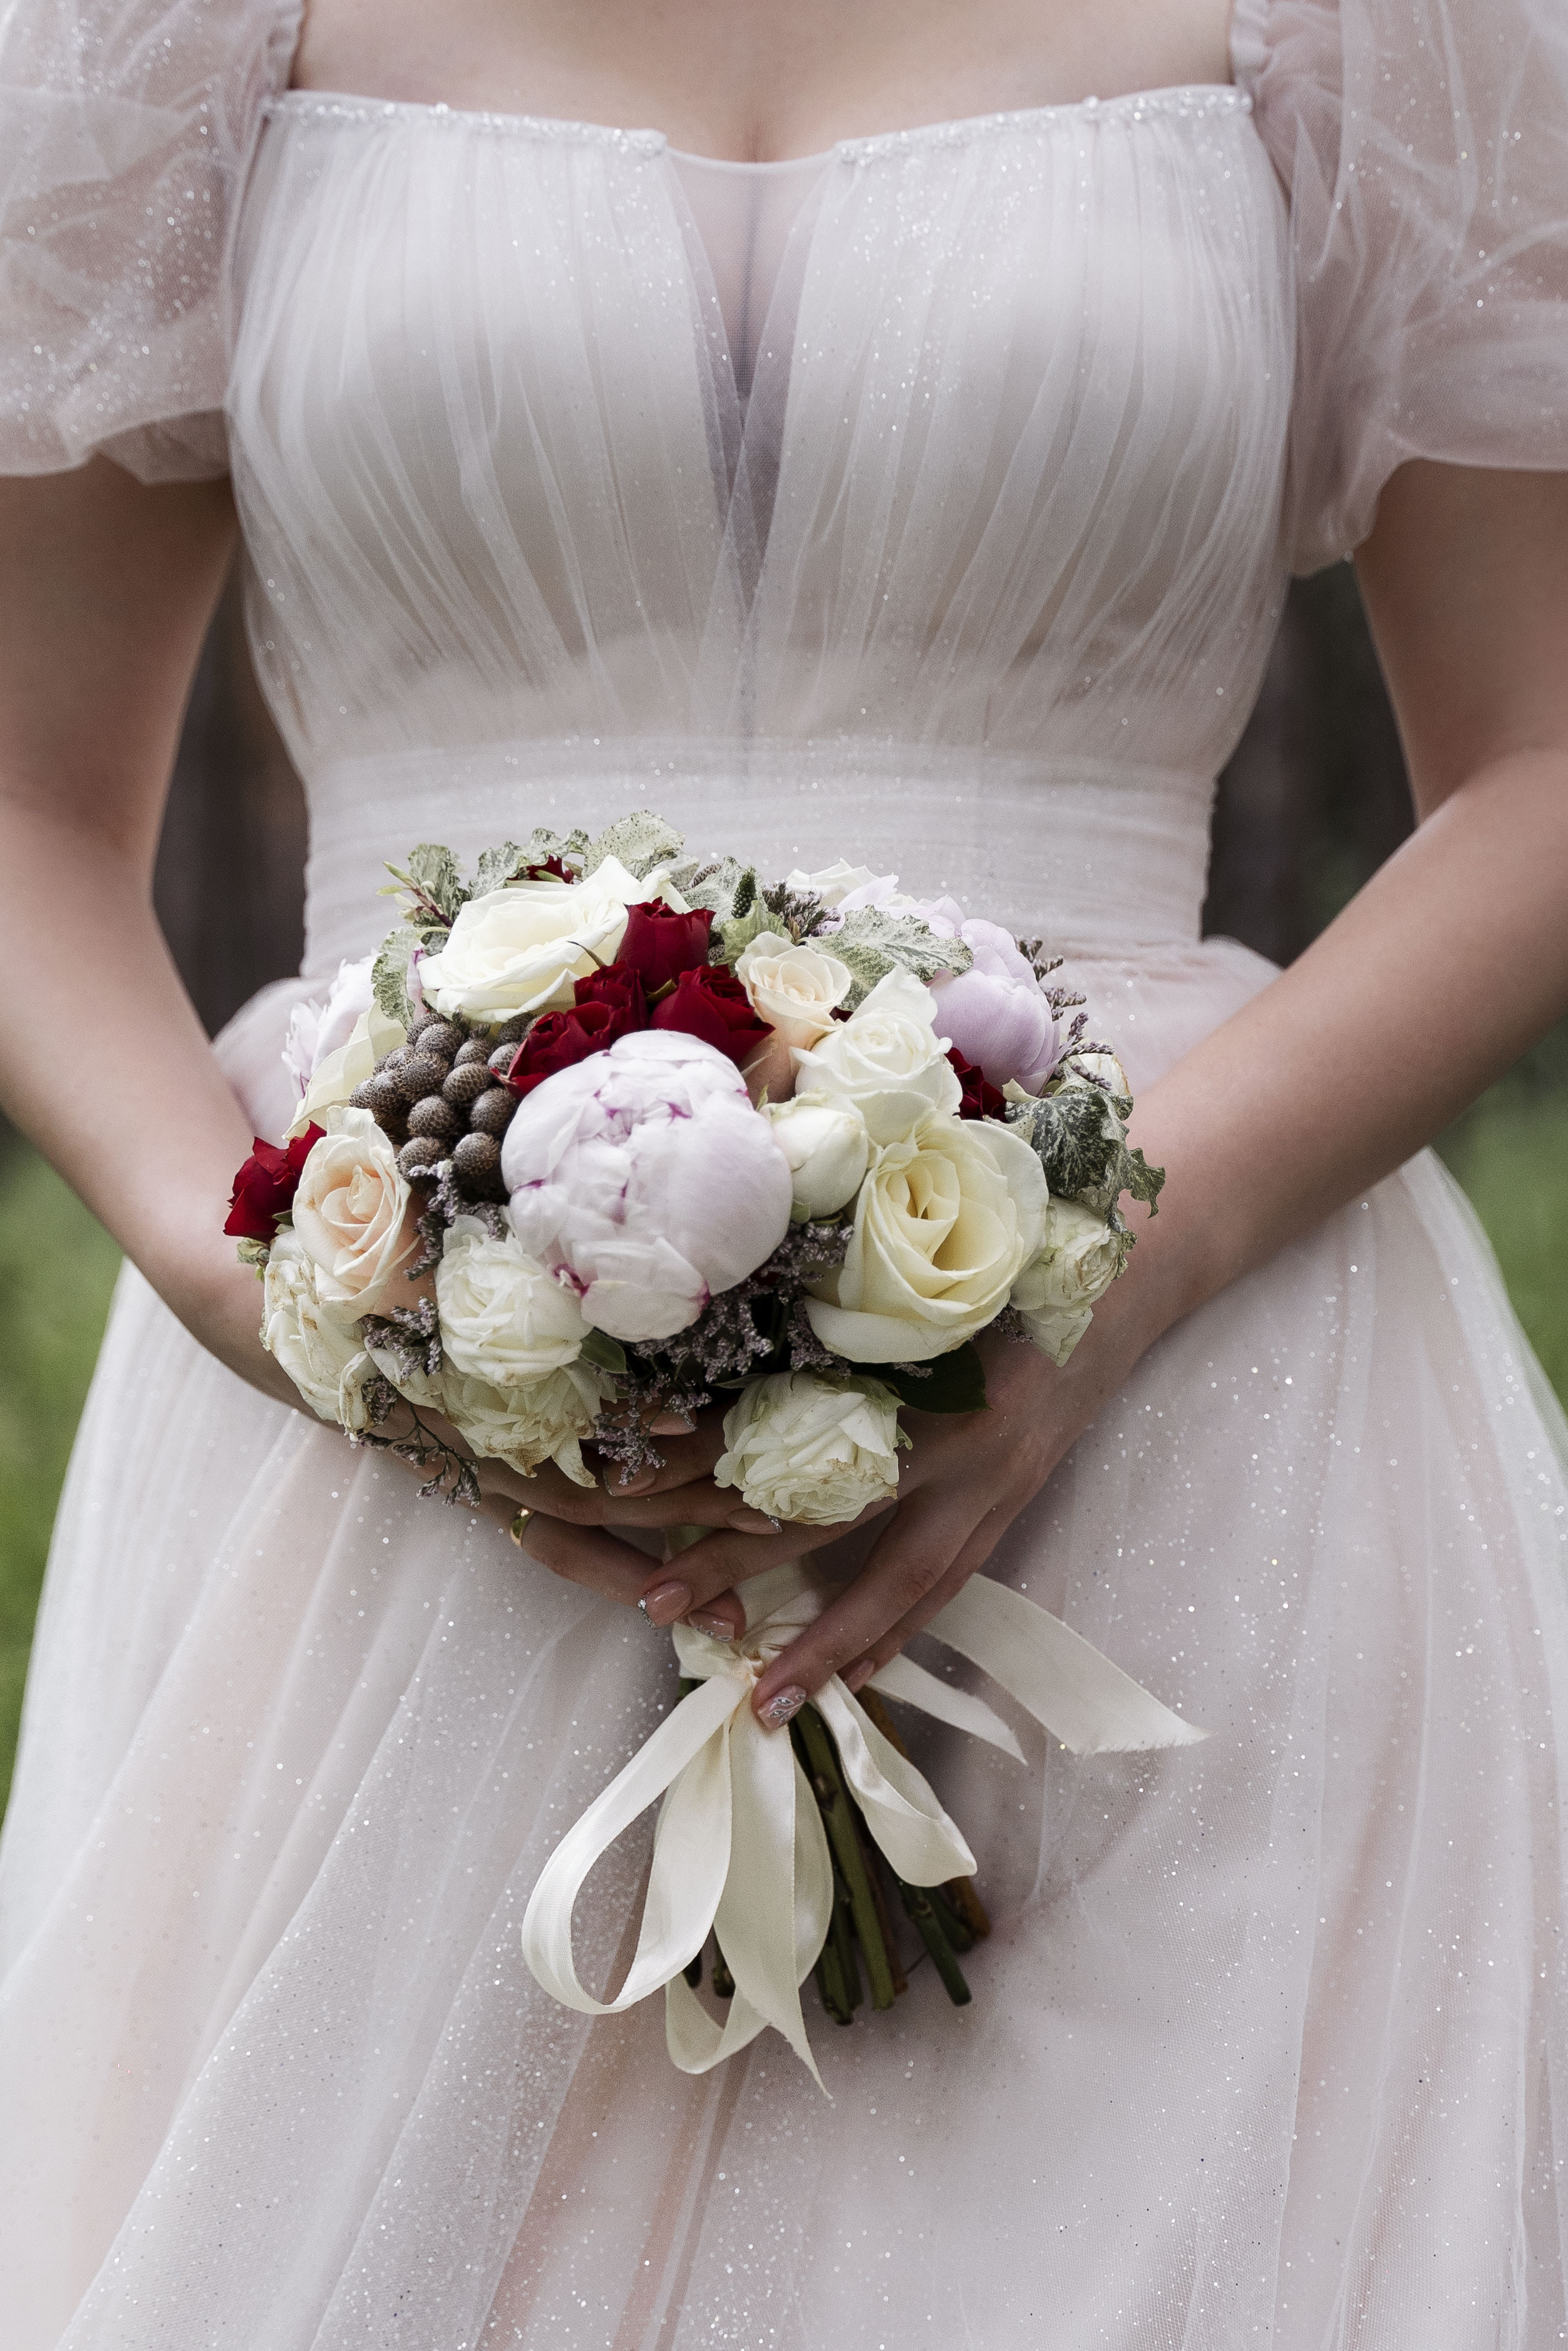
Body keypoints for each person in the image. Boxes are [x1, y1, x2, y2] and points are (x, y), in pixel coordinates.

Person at [3, 0, 1567, 2340]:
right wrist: (273, 1294)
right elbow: (25, 804)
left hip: (1193, 1456)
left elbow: (1543, 757)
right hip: (385, 1476)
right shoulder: (158, 30)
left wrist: (1123, 1268)